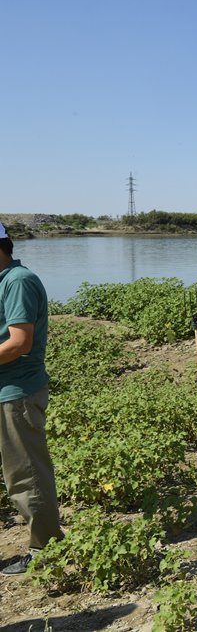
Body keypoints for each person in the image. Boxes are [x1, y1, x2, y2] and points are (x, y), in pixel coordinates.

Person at [0, 221, 63, 575]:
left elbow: (19, 342)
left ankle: (46, 549)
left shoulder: (18, 281)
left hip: (17, 393)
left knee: (26, 474)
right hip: (5, 389)